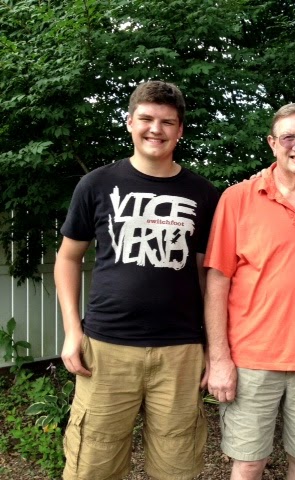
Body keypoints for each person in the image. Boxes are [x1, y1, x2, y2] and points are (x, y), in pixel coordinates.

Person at [54, 81, 219, 480]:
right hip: (106, 348)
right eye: (146, 118)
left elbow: (208, 276)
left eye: (167, 122)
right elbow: (67, 259)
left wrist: (213, 349)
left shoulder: (203, 193)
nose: (155, 129)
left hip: (180, 350)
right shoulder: (96, 184)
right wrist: (72, 332)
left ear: (180, 130)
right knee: (92, 465)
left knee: (177, 466)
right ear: (129, 122)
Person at [203, 103, 295, 480]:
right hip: (250, 357)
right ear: (272, 143)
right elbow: (217, 282)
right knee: (249, 462)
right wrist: (219, 358)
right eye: (288, 138)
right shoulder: (237, 198)